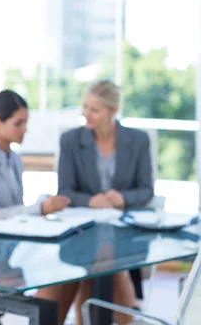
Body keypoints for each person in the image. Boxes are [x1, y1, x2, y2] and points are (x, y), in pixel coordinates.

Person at [0, 89, 76, 324]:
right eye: (18, 123)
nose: (25, 130)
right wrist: (39, 208)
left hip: (7, 241)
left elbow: (15, 206)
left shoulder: (13, 156)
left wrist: (40, 206)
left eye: (26, 122)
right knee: (53, 273)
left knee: (64, 269)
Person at [57, 79, 154, 324]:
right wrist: (90, 200)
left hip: (124, 228)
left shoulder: (138, 141)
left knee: (107, 263)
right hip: (84, 228)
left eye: (94, 109)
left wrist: (122, 197)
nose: (85, 114)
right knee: (101, 265)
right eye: (85, 106)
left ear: (113, 111)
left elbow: (146, 190)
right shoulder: (70, 141)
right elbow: (65, 191)